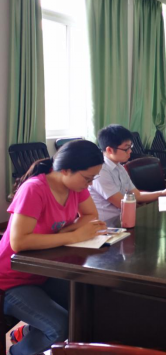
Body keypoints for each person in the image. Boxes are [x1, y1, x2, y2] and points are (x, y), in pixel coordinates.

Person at [1, 140, 107, 355]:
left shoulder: (74, 186)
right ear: (66, 170)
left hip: (44, 272)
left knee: (89, 304)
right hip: (12, 280)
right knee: (60, 326)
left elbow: (90, 215)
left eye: (93, 179)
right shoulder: (34, 189)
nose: (89, 185)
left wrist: (63, 233)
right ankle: (17, 352)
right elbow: (19, 242)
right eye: (87, 178)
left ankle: (29, 331)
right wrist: (74, 235)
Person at [89, 125, 166, 225]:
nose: (130, 151)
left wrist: (163, 193)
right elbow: (121, 203)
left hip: (124, 219)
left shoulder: (119, 167)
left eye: (130, 146)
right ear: (109, 150)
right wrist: (146, 208)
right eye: (126, 148)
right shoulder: (100, 171)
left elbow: (137, 195)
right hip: (108, 225)